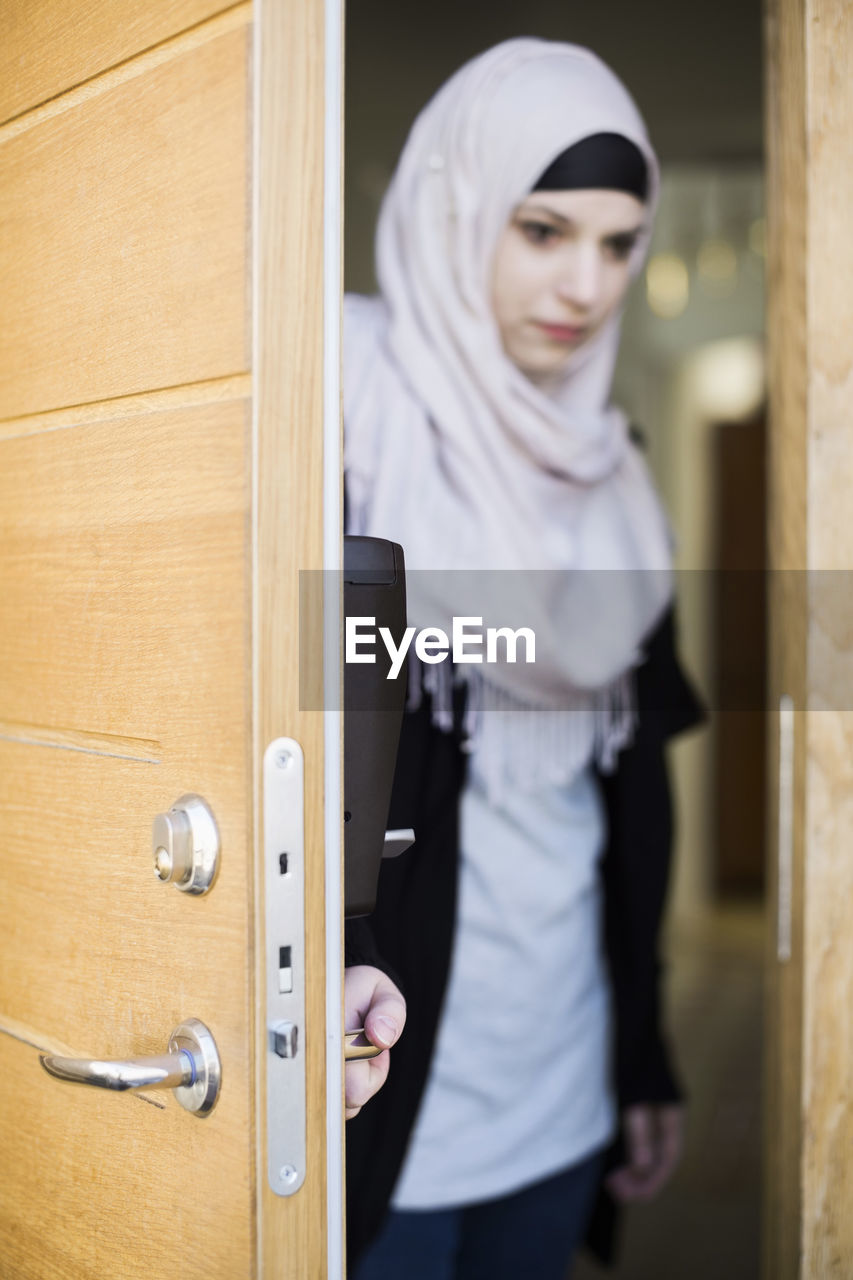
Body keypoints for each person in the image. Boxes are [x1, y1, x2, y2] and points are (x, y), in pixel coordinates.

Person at [342, 37, 704, 1279]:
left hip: (557, 1081)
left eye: (617, 243)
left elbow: (634, 789)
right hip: (372, 1082)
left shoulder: (616, 483)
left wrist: (642, 1045)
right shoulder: (340, 409)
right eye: (542, 229)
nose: (587, 284)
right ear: (459, 209)